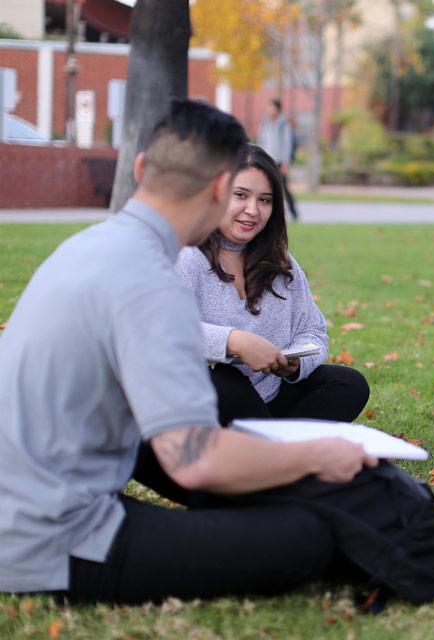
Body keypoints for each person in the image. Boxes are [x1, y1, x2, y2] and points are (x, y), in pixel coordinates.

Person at [0, 99, 383, 604]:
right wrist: (318, 456)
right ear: (222, 191)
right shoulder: (152, 282)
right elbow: (193, 461)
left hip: (41, 506)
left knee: (267, 508)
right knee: (306, 539)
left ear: (140, 168)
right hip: (50, 538)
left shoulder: (87, 246)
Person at [176, 144, 368, 426]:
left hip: (270, 397)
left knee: (348, 383)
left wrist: (297, 364)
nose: (252, 210)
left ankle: (270, 451)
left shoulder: (282, 264)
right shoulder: (184, 256)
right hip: (204, 404)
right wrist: (235, 342)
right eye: (240, 195)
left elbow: (313, 331)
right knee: (221, 378)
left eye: (265, 200)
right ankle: (275, 453)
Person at [257, 98, 299, 221]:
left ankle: (293, 212)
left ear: (278, 109)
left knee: (283, 188)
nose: (269, 110)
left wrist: (286, 162)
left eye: (272, 107)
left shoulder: (284, 125)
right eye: (268, 107)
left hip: (280, 161)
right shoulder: (264, 124)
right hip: (267, 160)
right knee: (266, 187)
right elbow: (261, 142)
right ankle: (270, 213)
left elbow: (288, 144)